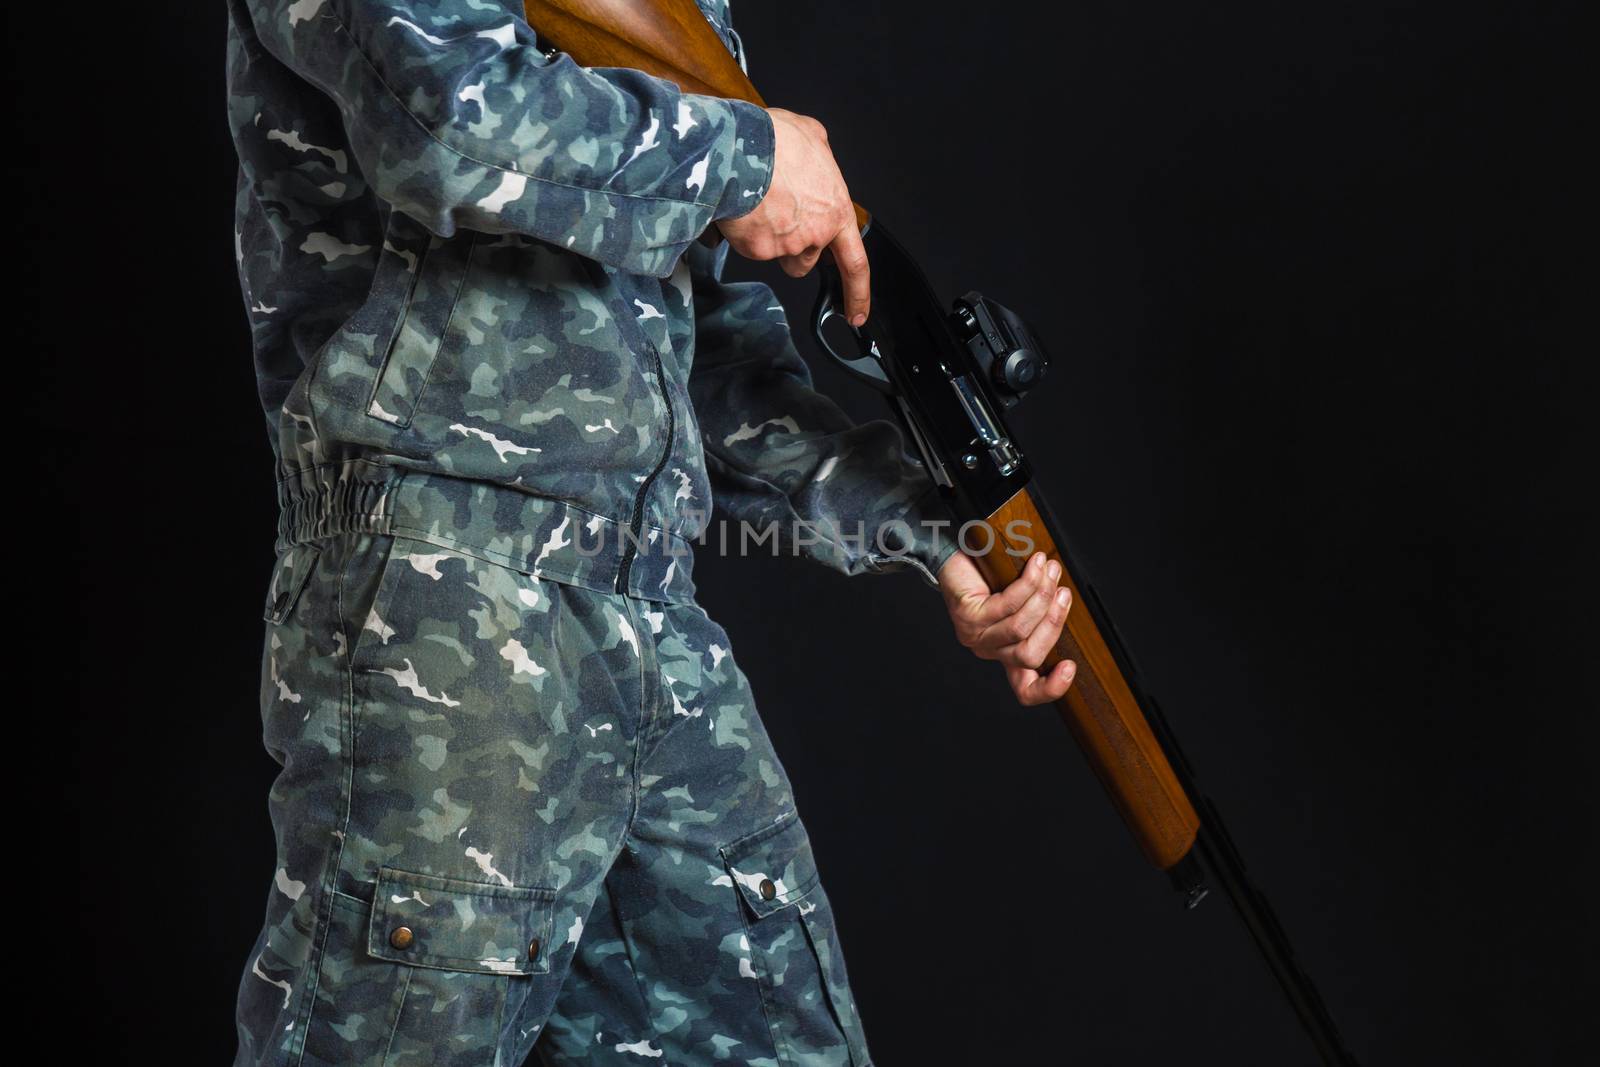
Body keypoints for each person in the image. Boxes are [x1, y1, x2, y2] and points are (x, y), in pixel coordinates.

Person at [226, 2, 1076, 1063]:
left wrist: (924, 531)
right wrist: (745, 154)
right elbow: (439, 119)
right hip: (444, 591)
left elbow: (692, 348)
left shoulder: (672, 14)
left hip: (650, 618)